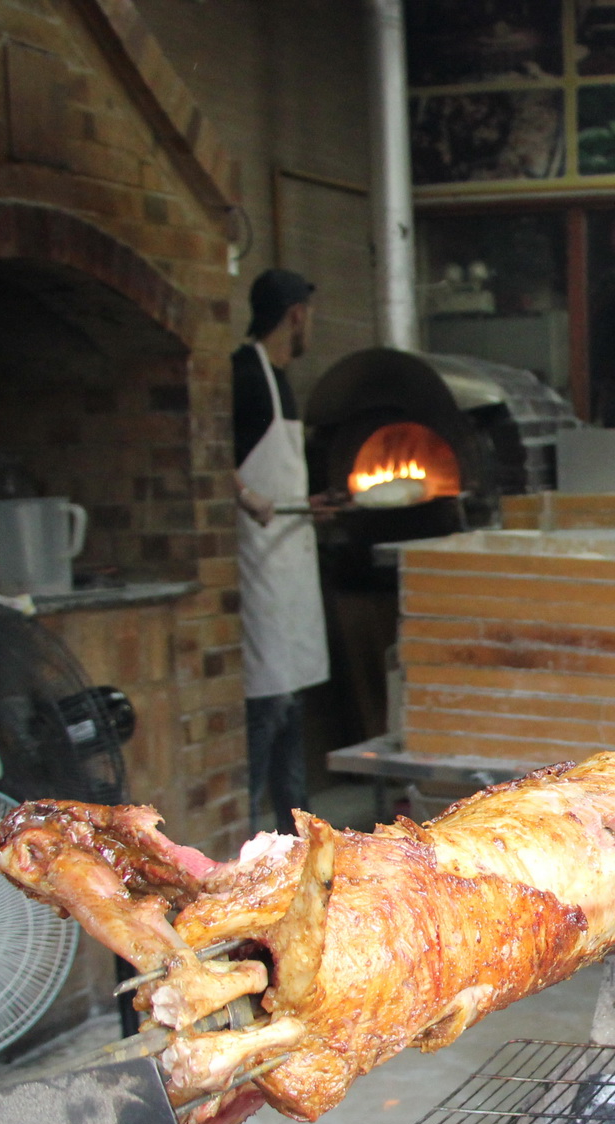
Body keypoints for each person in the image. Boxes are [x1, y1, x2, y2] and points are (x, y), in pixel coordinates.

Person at [233, 269, 336, 833]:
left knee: (291, 709)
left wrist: (306, 502)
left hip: (290, 560)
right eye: (310, 317)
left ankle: (300, 845)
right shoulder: (244, 375)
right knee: (267, 708)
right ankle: (242, 838)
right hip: (260, 567)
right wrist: (246, 495)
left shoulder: (281, 379)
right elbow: (202, 448)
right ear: (295, 314)